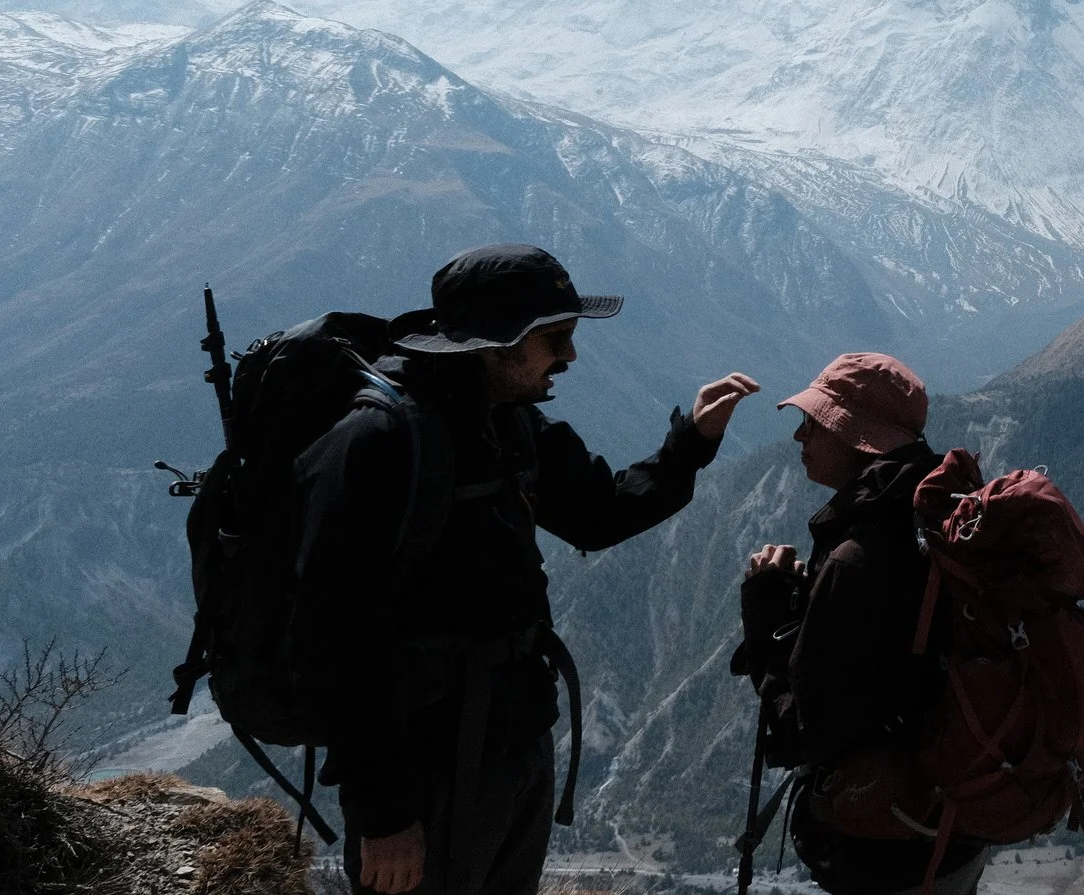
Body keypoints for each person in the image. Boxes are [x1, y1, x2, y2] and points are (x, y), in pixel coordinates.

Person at [290, 244, 760, 895]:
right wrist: (386, 814)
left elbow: (597, 511)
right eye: (556, 338)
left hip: (510, 742)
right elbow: (333, 643)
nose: (570, 355)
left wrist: (691, 444)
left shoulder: (507, 423)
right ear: (496, 342)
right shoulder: (376, 443)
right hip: (426, 768)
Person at [734, 352, 988, 895]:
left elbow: (801, 733)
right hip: (955, 828)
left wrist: (763, 616)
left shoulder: (859, 556)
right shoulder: (939, 521)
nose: (800, 436)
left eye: (814, 422)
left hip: (887, 845)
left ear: (858, 437)